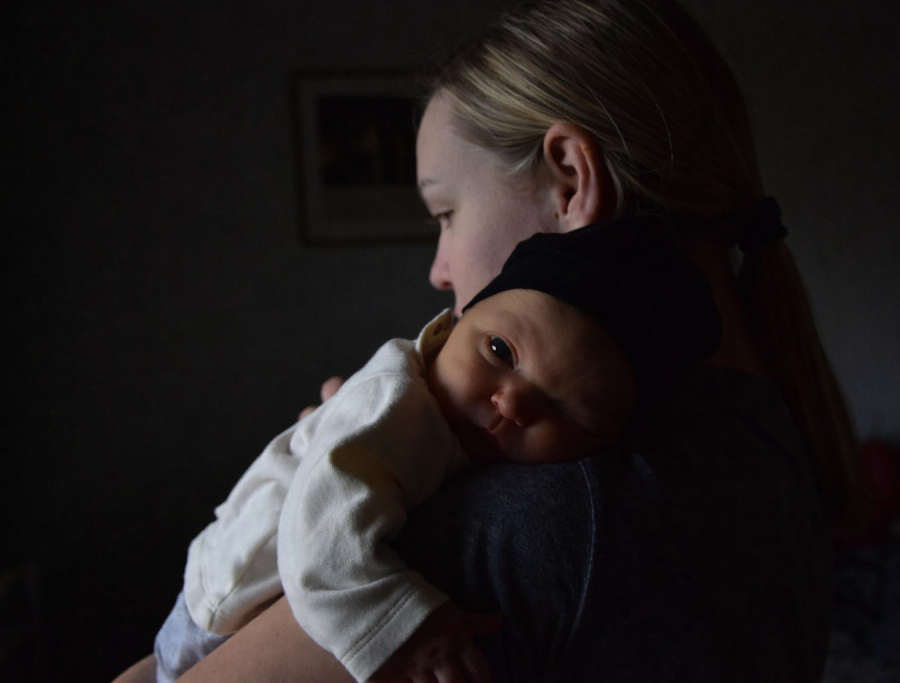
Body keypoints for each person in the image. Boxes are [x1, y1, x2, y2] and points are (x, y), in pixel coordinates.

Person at [115, 0, 861, 681]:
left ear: (570, 180)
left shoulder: (554, 507)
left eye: (445, 213)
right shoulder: (770, 435)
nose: (439, 270)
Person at [149, 216, 723, 683]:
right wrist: (404, 629)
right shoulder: (394, 403)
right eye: (500, 350)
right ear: (455, 322)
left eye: (569, 412)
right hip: (224, 598)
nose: (512, 404)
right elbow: (319, 539)